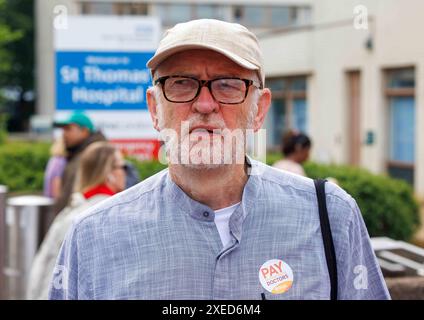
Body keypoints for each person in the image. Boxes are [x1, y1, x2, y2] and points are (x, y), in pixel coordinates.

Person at [49, 19, 390, 300]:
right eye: (181, 84)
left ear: (259, 110)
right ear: (155, 109)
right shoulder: (93, 236)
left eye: (227, 85)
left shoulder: (330, 217)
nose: (204, 104)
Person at [28, 142, 127, 299]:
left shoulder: (75, 208)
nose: (125, 173)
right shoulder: (107, 214)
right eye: (123, 167)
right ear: (109, 172)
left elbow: (41, 267)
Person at [52, 112, 106, 214]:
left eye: (68, 129)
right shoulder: (77, 154)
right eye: (63, 130)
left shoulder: (95, 156)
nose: (64, 134)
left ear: (84, 131)